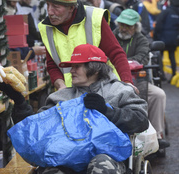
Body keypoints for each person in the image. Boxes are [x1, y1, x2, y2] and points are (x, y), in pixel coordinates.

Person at [36, 44, 149, 174]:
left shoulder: (119, 91)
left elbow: (141, 121)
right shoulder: (61, 96)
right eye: (71, 67)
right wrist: (21, 104)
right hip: (67, 157)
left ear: (95, 69)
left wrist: (107, 111)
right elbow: (38, 128)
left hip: (108, 157)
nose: (71, 71)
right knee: (50, 169)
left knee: (100, 164)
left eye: (77, 66)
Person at [38, 0, 135, 92]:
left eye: (56, 7)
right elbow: (52, 65)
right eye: (48, 5)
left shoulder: (94, 18)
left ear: (71, 8)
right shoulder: (46, 28)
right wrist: (61, 86)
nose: (50, 12)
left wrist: (127, 82)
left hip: (105, 90)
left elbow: (116, 53)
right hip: (71, 95)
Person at [113, 9, 170, 148]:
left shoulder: (141, 39)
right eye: (121, 24)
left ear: (136, 27)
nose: (124, 28)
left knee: (159, 94)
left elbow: (142, 58)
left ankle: (156, 135)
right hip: (113, 80)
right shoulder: (111, 36)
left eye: (128, 26)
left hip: (137, 80)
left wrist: (120, 62)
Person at [154, 0, 179, 82]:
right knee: (172, 57)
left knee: (159, 56)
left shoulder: (166, 12)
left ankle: (162, 76)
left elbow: (158, 25)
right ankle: (174, 74)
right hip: (174, 40)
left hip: (163, 39)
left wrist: (156, 37)